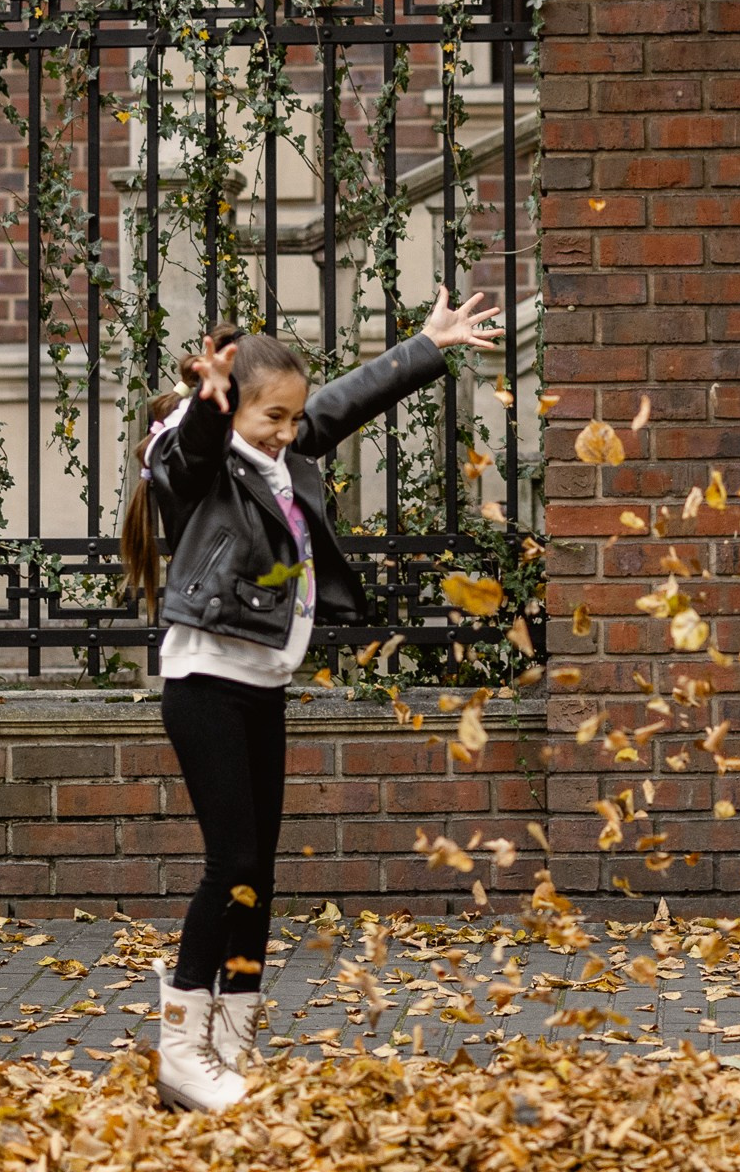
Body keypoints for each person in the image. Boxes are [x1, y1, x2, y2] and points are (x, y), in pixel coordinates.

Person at [119, 287, 504, 1111]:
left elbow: (334, 405)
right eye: (272, 419)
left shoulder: (281, 453)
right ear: (230, 412)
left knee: (258, 873)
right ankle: (181, 1049)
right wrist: (207, 404)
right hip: (205, 686)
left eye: (293, 420)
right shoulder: (199, 463)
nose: (290, 433)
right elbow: (184, 451)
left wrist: (425, 345)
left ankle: (230, 1046)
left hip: (261, 688)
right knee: (229, 866)